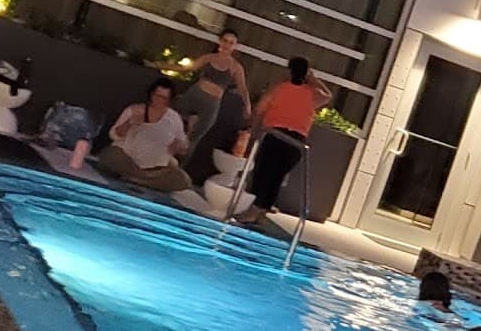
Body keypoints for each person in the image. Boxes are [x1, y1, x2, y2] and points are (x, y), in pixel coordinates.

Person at [236, 56, 330, 225]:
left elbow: (259, 109)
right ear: (306, 73)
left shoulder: (278, 89)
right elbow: (328, 96)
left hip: (275, 134)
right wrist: (315, 80)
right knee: (277, 177)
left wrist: (253, 130)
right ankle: (262, 210)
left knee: (263, 173)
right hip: (296, 141)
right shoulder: (312, 94)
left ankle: (255, 209)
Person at [94, 79, 193, 192]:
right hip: (128, 159)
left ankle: (138, 180)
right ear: (151, 94)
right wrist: (129, 123)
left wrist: (178, 147)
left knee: (183, 180)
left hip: (155, 168)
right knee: (110, 155)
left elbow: (182, 146)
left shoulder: (174, 118)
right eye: (157, 96)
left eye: (164, 98)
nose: (159, 100)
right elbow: (114, 135)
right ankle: (141, 179)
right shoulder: (135, 110)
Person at [180, 28, 250, 181]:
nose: (227, 45)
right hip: (196, 93)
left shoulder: (236, 67)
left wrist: (247, 105)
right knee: (174, 120)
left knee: (195, 137)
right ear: (220, 41)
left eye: (231, 43)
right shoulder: (210, 57)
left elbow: (243, 88)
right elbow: (188, 68)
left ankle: (178, 170)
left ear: (235, 46)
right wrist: (159, 65)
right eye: (225, 41)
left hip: (212, 102)